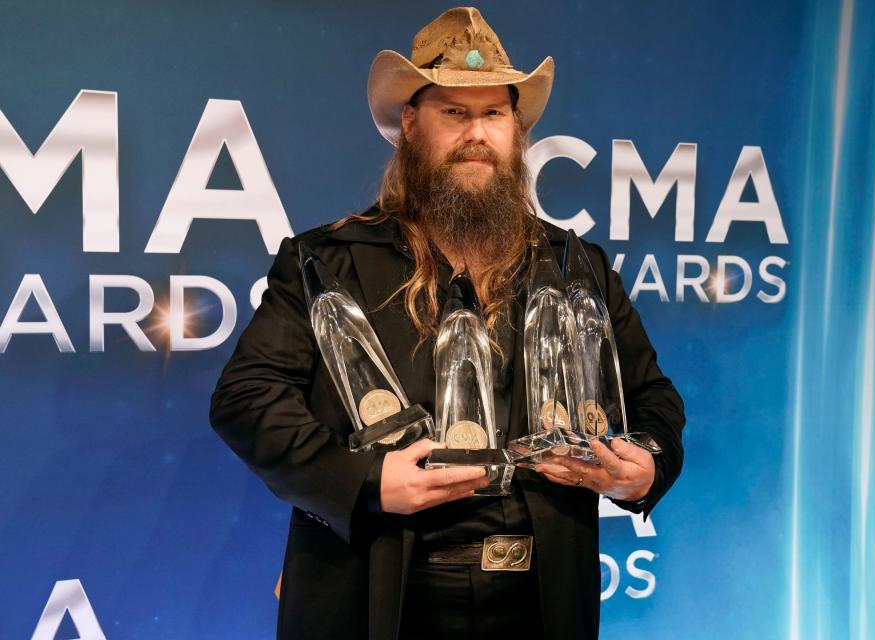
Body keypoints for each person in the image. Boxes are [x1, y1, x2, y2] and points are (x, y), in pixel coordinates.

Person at [209, 7, 684, 639]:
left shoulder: (579, 267)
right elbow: (245, 400)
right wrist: (368, 482)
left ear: (517, 130)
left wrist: (645, 468)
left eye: (494, 114)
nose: (476, 134)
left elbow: (653, 400)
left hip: (540, 602)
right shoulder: (326, 262)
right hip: (378, 593)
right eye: (453, 113)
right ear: (411, 124)